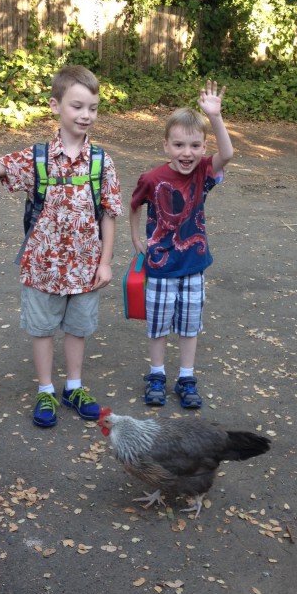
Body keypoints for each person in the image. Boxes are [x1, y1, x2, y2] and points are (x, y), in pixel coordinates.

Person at [0, 65, 123, 428]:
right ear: (56, 106)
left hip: (87, 268)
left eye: (92, 107)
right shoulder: (37, 157)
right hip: (42, 265)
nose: (86, 115)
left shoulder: (102, 161)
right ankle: (45, 390)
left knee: (78, 328)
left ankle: (74, 387)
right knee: (41, 329)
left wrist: (105, 263)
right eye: (77, 106)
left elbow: (109, 214)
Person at [129, 80, 233, 409]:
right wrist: (136, 238)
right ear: (166, 146)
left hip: (193, 265)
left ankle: (186, 377)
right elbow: (133, 207)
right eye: (178, 145)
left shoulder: (204, 172)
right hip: (160, 266)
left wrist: (214, 117)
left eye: (194, 145)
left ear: (203, 147)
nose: (186, 153)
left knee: (189, 326)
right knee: (158, 324)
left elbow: (228, 154)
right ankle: (157, 375)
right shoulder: (151, 178)